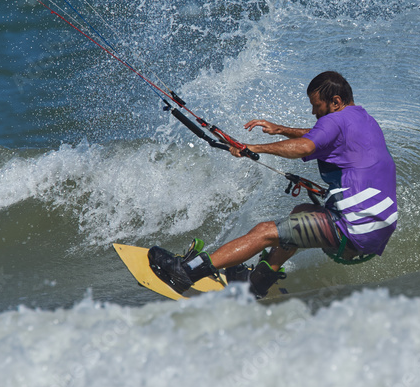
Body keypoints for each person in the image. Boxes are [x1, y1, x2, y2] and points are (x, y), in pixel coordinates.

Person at [149, 71, 398, 298]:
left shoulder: (335, 121)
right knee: (300, 213)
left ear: (335, 102)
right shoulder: (364, 120)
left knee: (264, 232)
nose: (314, 113)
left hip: (353, 230)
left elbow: (307, 145)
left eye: (317, 106)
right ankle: (257, 283)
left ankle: (186, 273)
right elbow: (319, 134)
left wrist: (250, 148)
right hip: (376, 232)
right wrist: (281, 129)